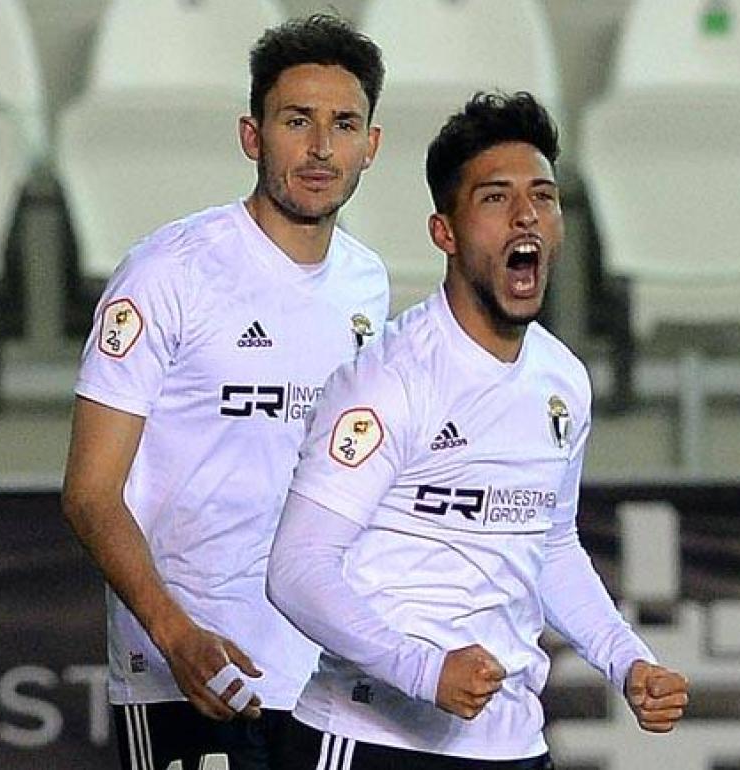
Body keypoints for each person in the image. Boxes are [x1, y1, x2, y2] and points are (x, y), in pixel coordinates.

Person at [266, 92, 689, 770]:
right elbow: (295, 570)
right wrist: (422, 670)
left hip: (515, 745)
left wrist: (627, 663)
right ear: (446, 233)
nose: (526, 214)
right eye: (495, 198)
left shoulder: (562, 381)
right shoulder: (390, 381)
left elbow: (548, 544)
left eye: (543, 197)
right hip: (372, 739)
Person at [60, 14, 386, 770]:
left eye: (343, 125)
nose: (319, 148)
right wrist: (174, 636)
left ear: (371, 146)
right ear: (252, 135)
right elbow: (89, 492)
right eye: (296, 121)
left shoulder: (368, 284)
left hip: (329, 681)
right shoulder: (168, 273)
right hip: (190, 675)